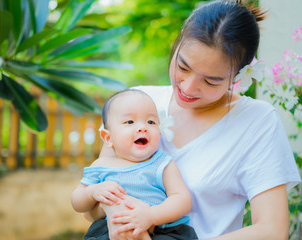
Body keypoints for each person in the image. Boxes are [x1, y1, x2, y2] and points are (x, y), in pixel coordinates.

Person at [84, 0, 302, 240]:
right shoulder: (138, 104)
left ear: (238, 74)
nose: (188, 88)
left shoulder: (256, 121)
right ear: (177, 44)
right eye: (183, 67)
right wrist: (117, 212)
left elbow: (272, 230)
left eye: (211, 81)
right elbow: (91, 208)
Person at [71, 89, 198, 240]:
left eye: (151, 122)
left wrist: (151, 216)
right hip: (110, 228)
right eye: (129, 122)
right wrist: (92, 191)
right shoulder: (101, 165)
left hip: (162, 230)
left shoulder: (161, 163)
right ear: (108, 138)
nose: (142, 127)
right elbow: (78, 203)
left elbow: (182, 199)